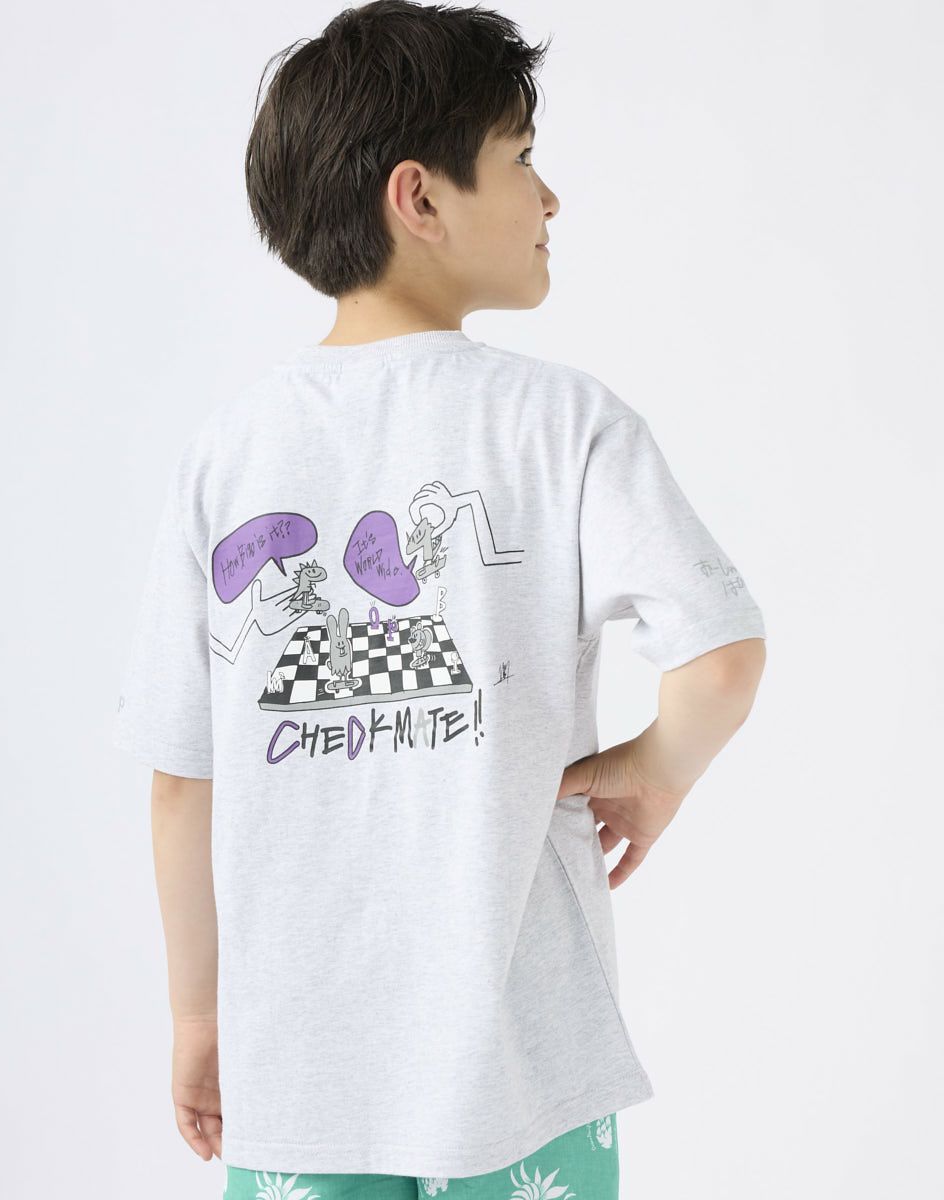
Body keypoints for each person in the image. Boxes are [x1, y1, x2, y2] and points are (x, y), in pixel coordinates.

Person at [112, 2, 767, 1196]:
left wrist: (198, 1019)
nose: (551, 198)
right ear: (418, 198)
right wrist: (654, 771)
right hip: (524, 1066)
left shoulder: (227, 452)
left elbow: (179, 781)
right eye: (521, 159)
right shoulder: (561, 422)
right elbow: (719, 656)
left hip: (298, 1073)